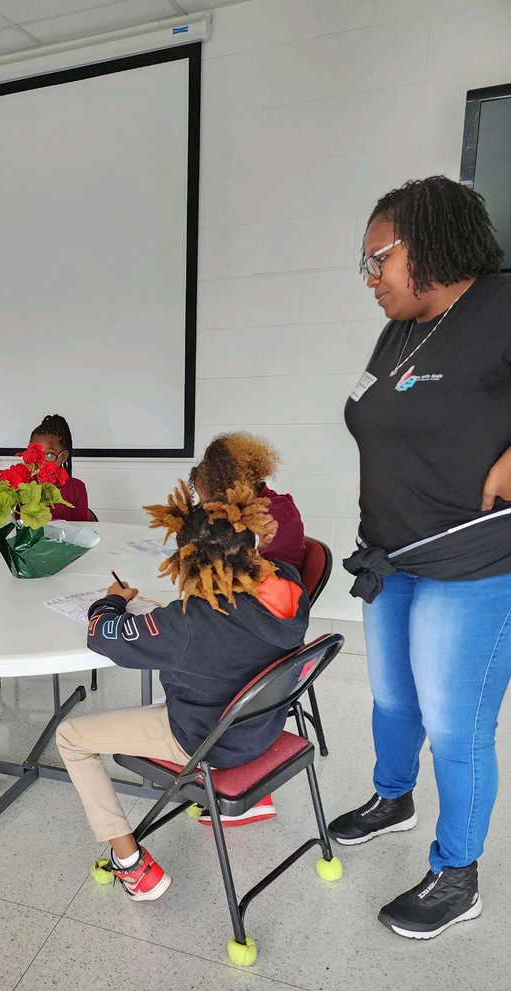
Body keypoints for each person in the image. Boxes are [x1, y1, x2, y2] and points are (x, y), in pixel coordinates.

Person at [335, 176, 511, 940]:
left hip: (470, 564)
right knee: (391, 699)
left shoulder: (503, 307)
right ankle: (393, 796)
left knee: (455, 725)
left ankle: (457, 874)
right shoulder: (402, 328)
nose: (369, 277)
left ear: (430, 244)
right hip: (390, 556)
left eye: (379, 257)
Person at [56, 480, 309, 900]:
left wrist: (110, 601)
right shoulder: (287, 584)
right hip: (264, 725)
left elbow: (103, 636)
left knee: (71, 737)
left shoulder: (188, 622)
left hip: (206, 737)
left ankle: (130, 864)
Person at [191, 432, 305, 570]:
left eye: (207, 499)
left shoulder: (275, 514)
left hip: (271, 585)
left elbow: (226, 558)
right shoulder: (246, 507)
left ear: (226, 491)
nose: (206, 507)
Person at [29, 414, 92, 521]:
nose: (41, 461)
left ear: (63, 456)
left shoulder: (76, 488)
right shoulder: (23, 485)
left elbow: (82, 529)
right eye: (34, 452)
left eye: (49, 455)